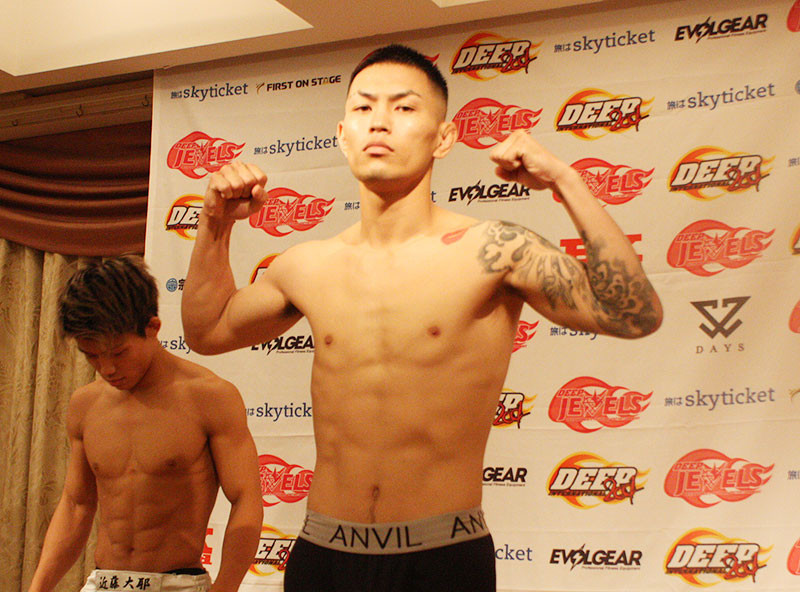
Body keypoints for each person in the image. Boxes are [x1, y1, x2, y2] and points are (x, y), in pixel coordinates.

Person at [182, 44, 663, 591]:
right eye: (363, 108)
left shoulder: (494, 250)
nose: (379, 121)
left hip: (441, 557)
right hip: (323, 554)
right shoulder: (307, 265)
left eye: (404, 107)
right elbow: (207, 331)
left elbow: (633, 314)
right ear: (342, 134)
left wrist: (565, 180)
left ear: (444, 137)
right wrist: (215, 221)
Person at [28, 255, 263, 592]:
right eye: (91, 355)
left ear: (153, 328)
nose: (107, 369)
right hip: (103, 582)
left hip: (177, 583)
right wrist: (37, 587)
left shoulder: (210, 397)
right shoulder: (85, 404)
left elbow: (245, 499)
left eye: (118, 352)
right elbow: (77, 505)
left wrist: (226, 587)